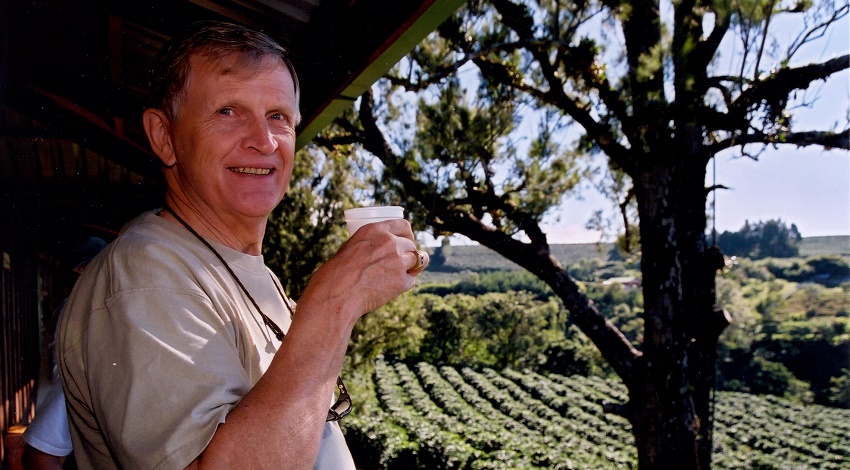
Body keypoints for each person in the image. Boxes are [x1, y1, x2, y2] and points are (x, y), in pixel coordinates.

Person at [57, 21, 428, 469]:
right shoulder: (145, 275)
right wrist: (335, 301)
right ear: (163, 136)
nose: (264, 141)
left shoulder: (240, 266)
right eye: (228, 111)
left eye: (279, 116)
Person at [23, 236, 106, 470]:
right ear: (80, 269)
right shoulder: (80, 312)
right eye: (98, 264)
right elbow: (40, 456)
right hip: (67, 439)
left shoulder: (80, 307)